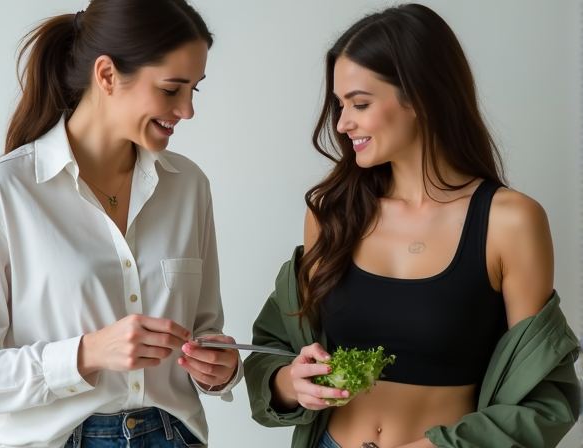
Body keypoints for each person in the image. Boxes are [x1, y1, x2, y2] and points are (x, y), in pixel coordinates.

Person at [244, 4, 579, 448]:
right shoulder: (332, 214)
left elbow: (543, 397)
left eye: (360, 103)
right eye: (340, 105)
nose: (343, 124)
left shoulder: (510, 221)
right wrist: (292, 383)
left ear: (421, 97)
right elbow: (276, 349)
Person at [0, 1, 242, 447]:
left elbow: (205, 327)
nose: (188, 110)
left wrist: (220, 369)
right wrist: (87, 353)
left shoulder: (189, 185)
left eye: (195, 89)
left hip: (173, 435)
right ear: (107, 75)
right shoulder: (1, 193)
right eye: (173, 89)